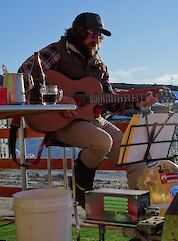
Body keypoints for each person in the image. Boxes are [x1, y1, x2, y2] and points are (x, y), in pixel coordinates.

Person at [18, 12, 156, 208]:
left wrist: (136, 103)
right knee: (102, 141)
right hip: (61, 120)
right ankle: (80, 188)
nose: (96, 40)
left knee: (135, 156)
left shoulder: (100, 65)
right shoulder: (55, 52)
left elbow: (109, 100)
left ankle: (138, 213)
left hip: (93, 120)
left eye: (99, 36)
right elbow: (23, 77)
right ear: (77, 32)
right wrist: (58, 97)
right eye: (92, 34)